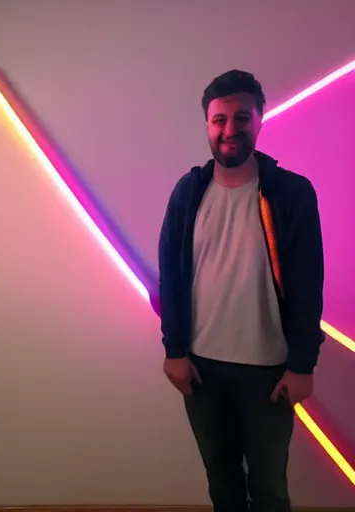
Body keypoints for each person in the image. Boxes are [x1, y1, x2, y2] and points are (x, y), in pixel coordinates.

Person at [157, 70, 325, 512]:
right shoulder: (188, 192)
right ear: (207, 125)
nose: (230, 129)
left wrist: (303, 365)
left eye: (242, 117)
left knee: (269, 488)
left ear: (260, 121)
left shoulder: (291, 193)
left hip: (269, 373)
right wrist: (174, 351)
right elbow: (169, 279)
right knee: (222, 484)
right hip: (201, 370)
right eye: (219, 120)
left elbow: (309, 284)